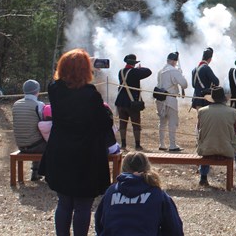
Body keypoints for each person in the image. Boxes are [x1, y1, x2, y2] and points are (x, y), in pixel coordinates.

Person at [39, 48, 116, 236]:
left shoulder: (54, 89)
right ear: (85, 71)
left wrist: (76, 62)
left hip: (61, 152)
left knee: (64, 203)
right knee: (82, 205)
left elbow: (60, 81)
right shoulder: (91, 95)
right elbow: (104, 123)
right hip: (85, 155)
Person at [94, 151, 184, 236]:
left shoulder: (111, 192)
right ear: (148, 168)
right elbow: (174, 229)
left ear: (123, 168)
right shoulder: (157, 194)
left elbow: (99, 225)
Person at [196, 86, 236, 188]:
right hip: (227, 149)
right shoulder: (233, 112)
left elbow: (199, 130)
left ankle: (203, 178)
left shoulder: (201, 111)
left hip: (206, 149)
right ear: (223, 99)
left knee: (206, 141)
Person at [115, 54, 152, 150]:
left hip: (121, 101)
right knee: (136, 124)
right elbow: (148, 71)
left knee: (122, 123)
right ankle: (137, 145)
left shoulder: (121, 71)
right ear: (134, 63)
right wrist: (140, 68)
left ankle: (123, 144)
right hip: (132, 102)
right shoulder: (135, 72)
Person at [12, 79, 46, 181]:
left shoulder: (16, 104)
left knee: (35, 137)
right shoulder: (39, 105)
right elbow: (44, 122)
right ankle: (48, 173)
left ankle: (35, 172)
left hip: (21, 145)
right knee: (48, 143)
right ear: (37, 91)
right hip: (36, 146)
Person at [156, 52, 188, 152]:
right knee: (172, 123)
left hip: (160, 99)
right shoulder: (174, 71)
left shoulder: (161, 71)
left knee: (162, 122)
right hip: (170, 99)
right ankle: (172, 144)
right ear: (174, 61)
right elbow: (184, 84)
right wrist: (180, 74)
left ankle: (162, 143)